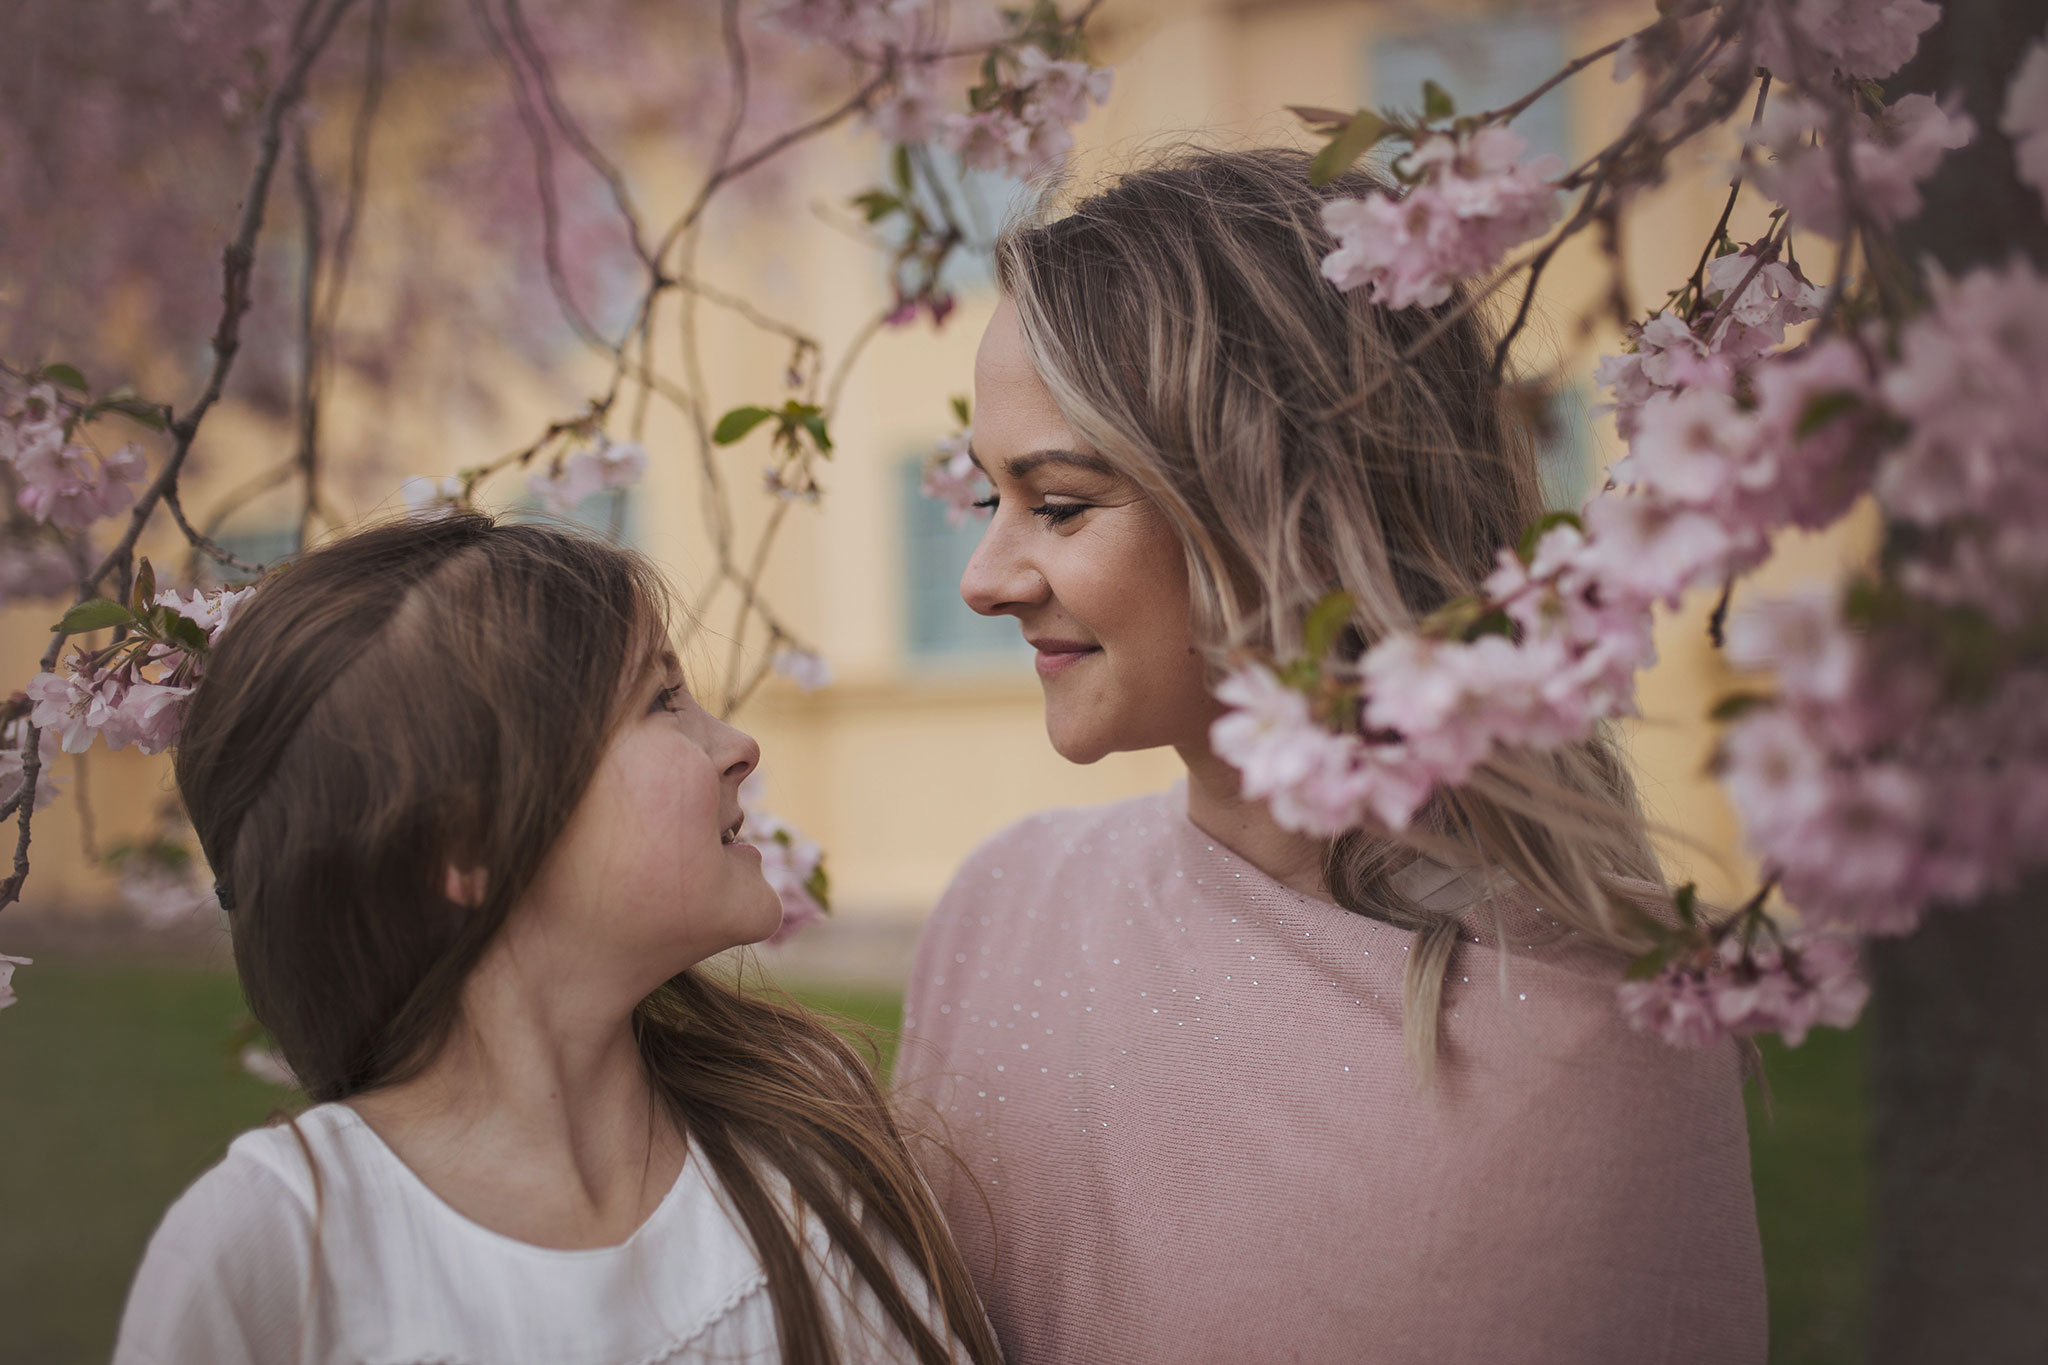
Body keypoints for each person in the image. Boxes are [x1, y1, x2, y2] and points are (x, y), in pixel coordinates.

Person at [895, 148, 1766, 1364]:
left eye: (1060, 502)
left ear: (1271, 496)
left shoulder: (1597, 1033)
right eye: (989, 499)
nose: (984, 580)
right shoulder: (1003, 909)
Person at [115, 514, 1000, 1365]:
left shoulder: (807, 1150)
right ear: (464, 843)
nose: (738, 745)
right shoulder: (277, 1252)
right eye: (662, 702)